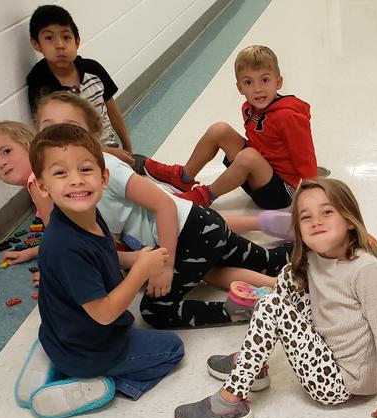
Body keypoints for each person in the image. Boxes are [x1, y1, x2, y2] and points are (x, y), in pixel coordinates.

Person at [173, 178, 377, 418]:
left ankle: (229, 402)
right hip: (326, 341)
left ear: (349, 219)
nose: (316, 221)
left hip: (339, 382)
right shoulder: (314, 258)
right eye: (306, 217)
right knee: (290, 275)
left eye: (327, 212)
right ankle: (252, 363)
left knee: (272, 306)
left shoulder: (367, 271)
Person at [36, 91, 290, 328]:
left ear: (94, 135)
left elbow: (165, 205)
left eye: (70, 127)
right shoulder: (68, 190)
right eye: (50, 127)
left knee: (156, 310)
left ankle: (245, 308)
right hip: (198, 227)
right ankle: (282, 271)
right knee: (265, 263)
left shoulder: (106, 170)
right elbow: (87, 245)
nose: (60, 136)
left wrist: (165, 267)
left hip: (192, 232)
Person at [22, 122, 183, 418]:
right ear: (43, 187)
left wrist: (135, 258)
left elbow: (101, 257)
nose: (76, 181)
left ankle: (61, 361)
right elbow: (104, 314)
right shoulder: (66, 246)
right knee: (172, 349)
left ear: (103, 177)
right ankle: (103, 383)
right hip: (91, 349)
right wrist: (140, 271)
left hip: (62, 337)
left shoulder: (85, 216)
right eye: (61, 173)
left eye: (85, 170)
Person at [144, 45, 316, 209]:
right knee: (219, 130)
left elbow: (305, 157)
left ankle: (204, 196)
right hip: (256, 175)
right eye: (248, 82)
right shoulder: (248, 108)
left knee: (248, 156)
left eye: (265, 80)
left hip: (280, 193)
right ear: (240, 88)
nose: (257, 89)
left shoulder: (288, 116)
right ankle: (183, 178)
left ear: (278, 82)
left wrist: (314, 194)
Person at [26, 4, 139, 167]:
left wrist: (127, 147)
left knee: (145, 168)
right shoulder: (40, 84)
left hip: (110, 148)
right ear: (36, 44)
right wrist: (105, 152)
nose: (60, 45)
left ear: (77, 41)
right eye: (49, 38)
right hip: (72, 158)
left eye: (66, 37)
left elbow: (112, 110)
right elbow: (53, 137)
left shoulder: (93, 69)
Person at [0, 121, 51, 264]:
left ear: (28, 144)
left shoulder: (37, 183)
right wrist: (33, 252)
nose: (1, 163)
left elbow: (63, 237)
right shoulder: (43, 173)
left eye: (6, 151)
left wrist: (52, 272)